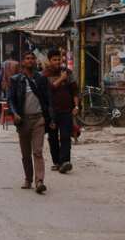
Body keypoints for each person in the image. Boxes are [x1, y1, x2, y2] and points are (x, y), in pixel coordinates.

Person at [7, 51, 53, 194]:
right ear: (23, 62)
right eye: (27, 58)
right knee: (26, 153)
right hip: (23, 121)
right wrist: (15, 114)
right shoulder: (16, 80)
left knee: (37, 152)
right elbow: (11, 100)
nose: (30, 61)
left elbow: (48, 100)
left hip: (39, 119)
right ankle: (28, 178)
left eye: (32, 58)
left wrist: (51, 119)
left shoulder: (41, 79)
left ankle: (39, 181)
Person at [45, 49, 78, 174]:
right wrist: (60, 79)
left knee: (65, 137)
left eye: (59, 59)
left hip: (66, 111)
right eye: (54, 60)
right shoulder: (45, 75)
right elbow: (49, 90)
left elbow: (74, 91)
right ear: (49, 61)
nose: (57, 62)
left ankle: (65, 162)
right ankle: (57, 162)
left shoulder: (68, 73)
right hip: (51, 112)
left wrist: (76, 107)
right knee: (53, 138)